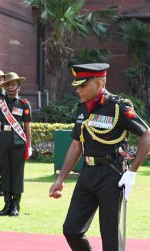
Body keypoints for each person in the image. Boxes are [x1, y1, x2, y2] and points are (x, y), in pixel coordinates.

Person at [49, 63, 150, 251]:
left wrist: (133, 172)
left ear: (100, 83)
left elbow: (146, 134)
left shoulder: (119, 107)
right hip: (87, 174)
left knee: (110, 237)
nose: (78, 90)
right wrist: (61, 178)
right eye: (77, 86)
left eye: (83, 85)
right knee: (71, 229)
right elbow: (75, 145)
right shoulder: (83, 108)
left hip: (111, 175)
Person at [0, 72, 32, 216]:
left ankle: (16, 204)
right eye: (8, 84)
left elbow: (27, 127)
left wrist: (30, 145)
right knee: (5, 172)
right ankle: (7, 203)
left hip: (18, 141)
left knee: (17, 173)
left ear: (18, 86)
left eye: (13, 84)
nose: (10, 86)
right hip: (3, 139)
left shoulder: (24, 104)